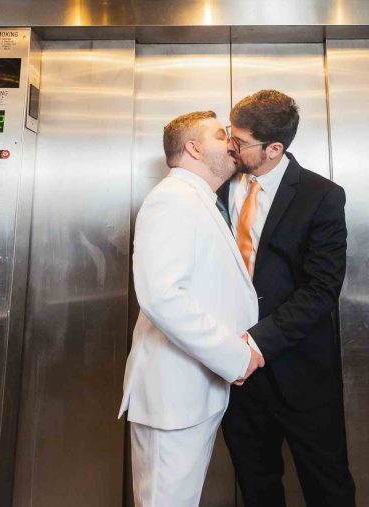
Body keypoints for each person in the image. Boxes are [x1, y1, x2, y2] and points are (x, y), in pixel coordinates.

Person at [119, 110, 265, 507]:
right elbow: (162, 296)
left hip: (194, 390)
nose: (233, 143)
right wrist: (236, 356)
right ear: (194, 147)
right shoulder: (172, 200)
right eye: (221, 136)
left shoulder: (201, 200)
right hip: (173, 395)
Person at [220, 90, 356, 506]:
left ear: (274, 148)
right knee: (256, 485)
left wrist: (258, 342)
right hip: (235, 371)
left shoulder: (322, 196)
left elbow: (321, 290)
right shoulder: (217, 187)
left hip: (301, 370)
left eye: (240, 141)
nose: (230, 145)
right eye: (230, 133)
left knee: (327, 484)